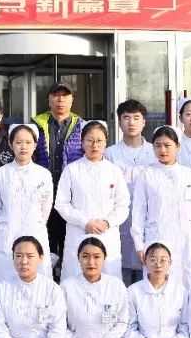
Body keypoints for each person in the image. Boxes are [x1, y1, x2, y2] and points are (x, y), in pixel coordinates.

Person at [131, 125, 191, 288]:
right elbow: (138, 213)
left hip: (186, 241)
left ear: (178, 146)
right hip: (157, 237)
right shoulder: (146, 176)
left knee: (187, 283)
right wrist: (139, 244)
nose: (162, 150)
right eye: (158, 145)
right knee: (158, 283)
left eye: (167, 145)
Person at [55, 121, 130, 281]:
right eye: (90, 140)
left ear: (106, 142)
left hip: (107, 234)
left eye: (99, 141)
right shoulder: (71, 170)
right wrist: (84, 222)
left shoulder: (114, 171)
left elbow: (123, 205)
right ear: (82, 142)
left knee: (108, 281)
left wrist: (107, 222)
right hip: (79, 233)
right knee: (76, 281)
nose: (94, 145)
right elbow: (61, 203)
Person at [0, 124, 53, 294]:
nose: (23, 147)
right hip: (7, 233)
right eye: (18, 142)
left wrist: (34, 223)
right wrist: (8, 222)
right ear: (11, 144)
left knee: (36, 285)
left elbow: (46, 208)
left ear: (35, 145)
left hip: (34, 230)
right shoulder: (1, 173)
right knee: (5, 285)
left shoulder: (43, 174)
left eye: (28, 142)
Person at [103, 100, 157, 280]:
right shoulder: (110, 154)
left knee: (148, 268)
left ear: (144, 122)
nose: (131, 122)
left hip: (148, 217)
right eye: (126, 118)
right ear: (119, 123)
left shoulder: (154, 151)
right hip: (119, 219)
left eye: (136, 118)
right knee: (120, 270)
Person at [33, 83, 86, 261]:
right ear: (49, 100)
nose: (60, 100)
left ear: (72, 100)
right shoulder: (36, 125)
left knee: (70, 247)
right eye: (56, 95)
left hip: (71, 196)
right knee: (43, 244)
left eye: (65, 96)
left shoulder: (82, 127)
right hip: (42, 194)